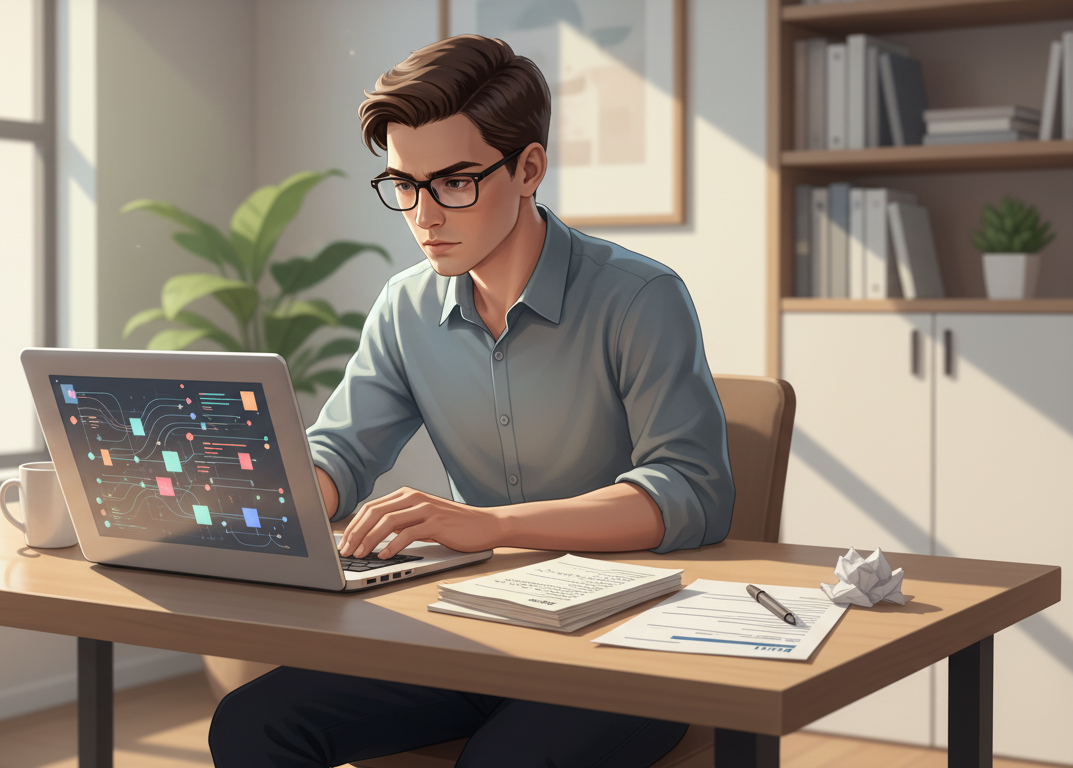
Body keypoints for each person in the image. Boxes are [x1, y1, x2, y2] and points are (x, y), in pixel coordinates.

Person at [208, 34, 734, 768]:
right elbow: (341, 452)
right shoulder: (405, 308)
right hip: (473, 631)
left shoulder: (640, 298)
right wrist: (261, 502)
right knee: (251, 723)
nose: (424, 215)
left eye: (454, 182)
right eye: (404, 185)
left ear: (528, 169)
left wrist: (482, 524)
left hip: (622, 646)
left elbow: (689, 494)